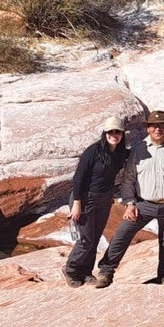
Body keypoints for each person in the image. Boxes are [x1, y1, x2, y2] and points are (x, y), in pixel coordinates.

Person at [94, 110, 164, 288]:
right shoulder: (139, 149)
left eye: (161, 126)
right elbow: (128, 179)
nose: (158, 129)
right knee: (123, 234)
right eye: (154, 126)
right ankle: (106, 270)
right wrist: (130, 203)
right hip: (143, 204)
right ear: (148, 129)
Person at [62, 115, 130, 287]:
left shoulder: (121, 153)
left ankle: (85, 272)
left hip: (105, 199)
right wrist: (77, 204)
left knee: (95, 237)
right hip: (86, 199)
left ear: (122, 134)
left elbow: (140, 154)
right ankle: (70, 269)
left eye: (118, 132)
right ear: (105, 133)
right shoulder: (93, 151)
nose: (114, 135)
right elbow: (79, 178)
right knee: (86, 239)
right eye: (111, 132)